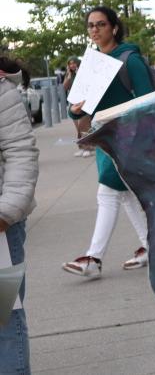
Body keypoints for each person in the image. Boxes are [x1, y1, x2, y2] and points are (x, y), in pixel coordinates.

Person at [62, 7, 151, 278]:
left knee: (108, 192)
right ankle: (152, 247)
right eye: (90, 25)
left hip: (128, 137)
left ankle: (93, 259)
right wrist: (76, 111)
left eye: (101, 24)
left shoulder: (129, 59)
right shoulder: (91, 63)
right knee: (122, 194)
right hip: (104, 137)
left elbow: (148, 99)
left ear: (114, 27)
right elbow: (75, 108)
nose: (95, 30)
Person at [0, 55, 39, 375]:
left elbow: (21, 153)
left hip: (1, 228)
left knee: (4, 319)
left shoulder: (2, 91)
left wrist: (7, 212)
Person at [63, 56, 93, 157]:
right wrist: (69, 77)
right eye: (70, 63)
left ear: (78, 63)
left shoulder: (84, 72)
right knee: (78, 128)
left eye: (73, 63)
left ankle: (87, 147)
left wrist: (80, 73)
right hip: (73, 104)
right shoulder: (69, 75)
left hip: (83, 103)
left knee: (84, 126)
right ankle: (81, 147)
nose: (72, 65)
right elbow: (65, 87)